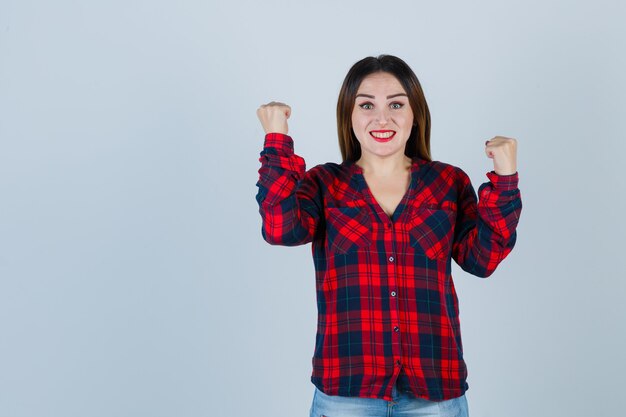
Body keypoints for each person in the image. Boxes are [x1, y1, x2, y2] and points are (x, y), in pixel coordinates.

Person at [255, 55, 521, 417]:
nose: (382, 118)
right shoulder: (324, 184)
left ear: (416, 114)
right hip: (347, 392)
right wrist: (276, 139)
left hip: (434, 391)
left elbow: (482, 260)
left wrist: (505, 178)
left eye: (396, 104)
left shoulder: (447, 183)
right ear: (349, 115)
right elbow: (280, 229)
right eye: (367, 105)